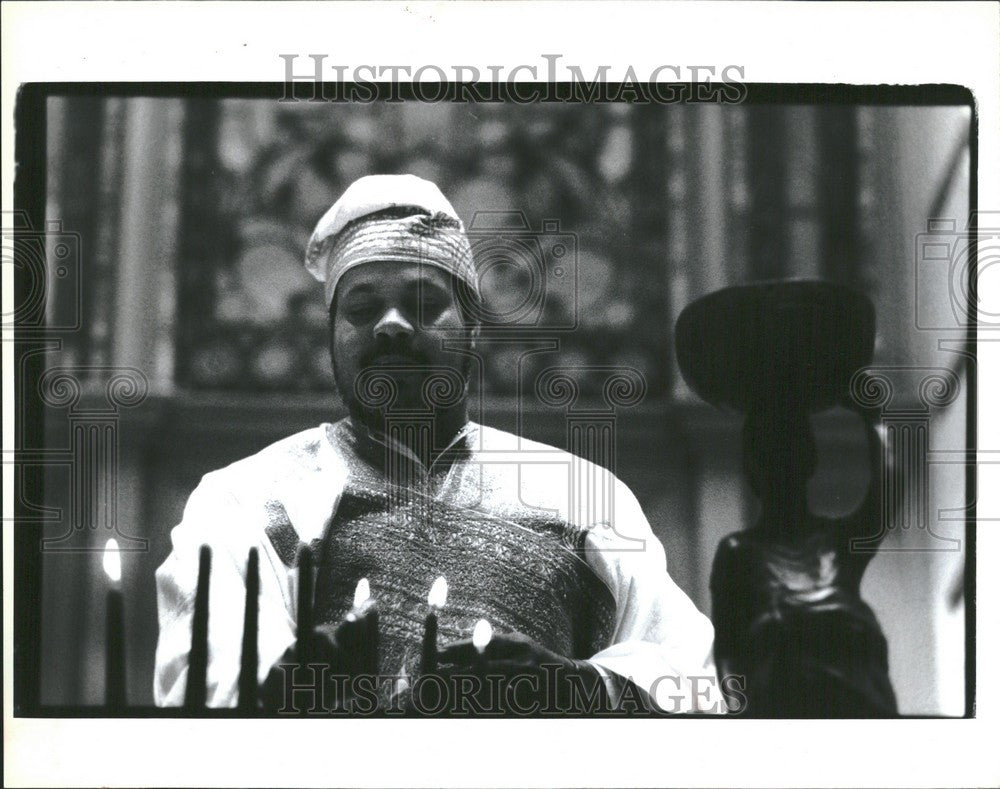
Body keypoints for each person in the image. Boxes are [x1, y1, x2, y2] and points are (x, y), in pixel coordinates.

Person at [154, 174, 720, 714]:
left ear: (473, 329)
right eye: (362, 308)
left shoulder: (583, 495)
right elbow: (207, 681)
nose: (392, 325)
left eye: (424, 304)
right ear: (330, 338)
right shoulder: (244, 499)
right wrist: (290, 685)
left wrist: (574, 688)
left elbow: (694, 683)